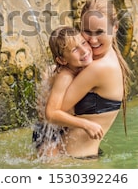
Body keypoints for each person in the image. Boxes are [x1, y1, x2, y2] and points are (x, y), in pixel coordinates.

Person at [45, 0, 131, 159]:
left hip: (74, 161)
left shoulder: (98, 68)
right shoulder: (107, 56)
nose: (92, 40)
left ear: (115, 28)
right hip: (81, 157)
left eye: (99, 32)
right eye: (87, 32)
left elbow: (52, 113)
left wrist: (59, 76)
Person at [32, 26, 104, 158]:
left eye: (83, 43)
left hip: (64, 127)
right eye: (75, 49)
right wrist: (86, 125)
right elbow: (50, 114)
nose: (84, 51)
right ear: (62, 60)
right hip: (48, 132)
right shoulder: (65, 76)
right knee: (56, 168)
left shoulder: (82, 68)